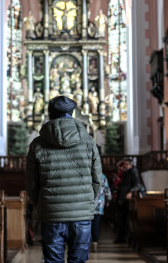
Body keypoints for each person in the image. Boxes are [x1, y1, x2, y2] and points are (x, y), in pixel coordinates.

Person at [26, 95, 102, 263]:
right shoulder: (89, 142)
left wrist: (41, 204)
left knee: (53, 261)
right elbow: (97, 179)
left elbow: (31, 182)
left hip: (51, 213)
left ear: (49, 114)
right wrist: (87, 200)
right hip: (81, 213)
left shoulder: (37, 144)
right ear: (72, 113)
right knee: (78, 260)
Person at [114, 158, 142, 243]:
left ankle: (124, 237)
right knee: (121, 218)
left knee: (125, 219)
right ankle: (121, 237)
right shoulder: (126, 172)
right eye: (124, 164)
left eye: (126, 164)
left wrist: (130, 192)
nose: (124, 166)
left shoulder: (133, 171)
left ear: (131, 164)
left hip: (128, 199)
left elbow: (137, 185)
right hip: (122, 197)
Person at [91, 173, 111, 252]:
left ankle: (85, 244)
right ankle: (94, 243)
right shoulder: (102, 176)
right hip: (99, 204)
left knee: (86, 225)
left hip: (86, 205)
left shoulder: (87, 174)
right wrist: (108, 199)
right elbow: (107, 189)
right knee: (96, 225)